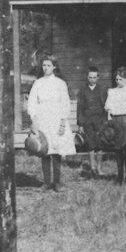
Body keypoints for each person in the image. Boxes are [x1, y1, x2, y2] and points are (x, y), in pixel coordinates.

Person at [27, 55, 76, 191]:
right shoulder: (38, 83)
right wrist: (34, 120)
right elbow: (32, 101)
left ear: (54, 66)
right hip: (43, 119)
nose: (46, 68)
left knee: (56, 151)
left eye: (49, 65)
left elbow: (65, 103)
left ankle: (57, 182)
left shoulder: (60, 83)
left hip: (56, 118)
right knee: (44, 150)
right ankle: (46, 182)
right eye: (44, 65)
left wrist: (62, 123)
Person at [76, 65, 109, 179]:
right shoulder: (83, 91)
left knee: (99, 144)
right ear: (87, 77)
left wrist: (105, 122)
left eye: (94, 77)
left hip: (99, 120)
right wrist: (80, 124)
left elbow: (106, 107)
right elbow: (80, 108)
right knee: (91, 145)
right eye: (90, 77)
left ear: (98, 78)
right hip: (88, 121)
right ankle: (92, 168)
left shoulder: (102, 90)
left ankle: (99, 168)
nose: (92, 79)